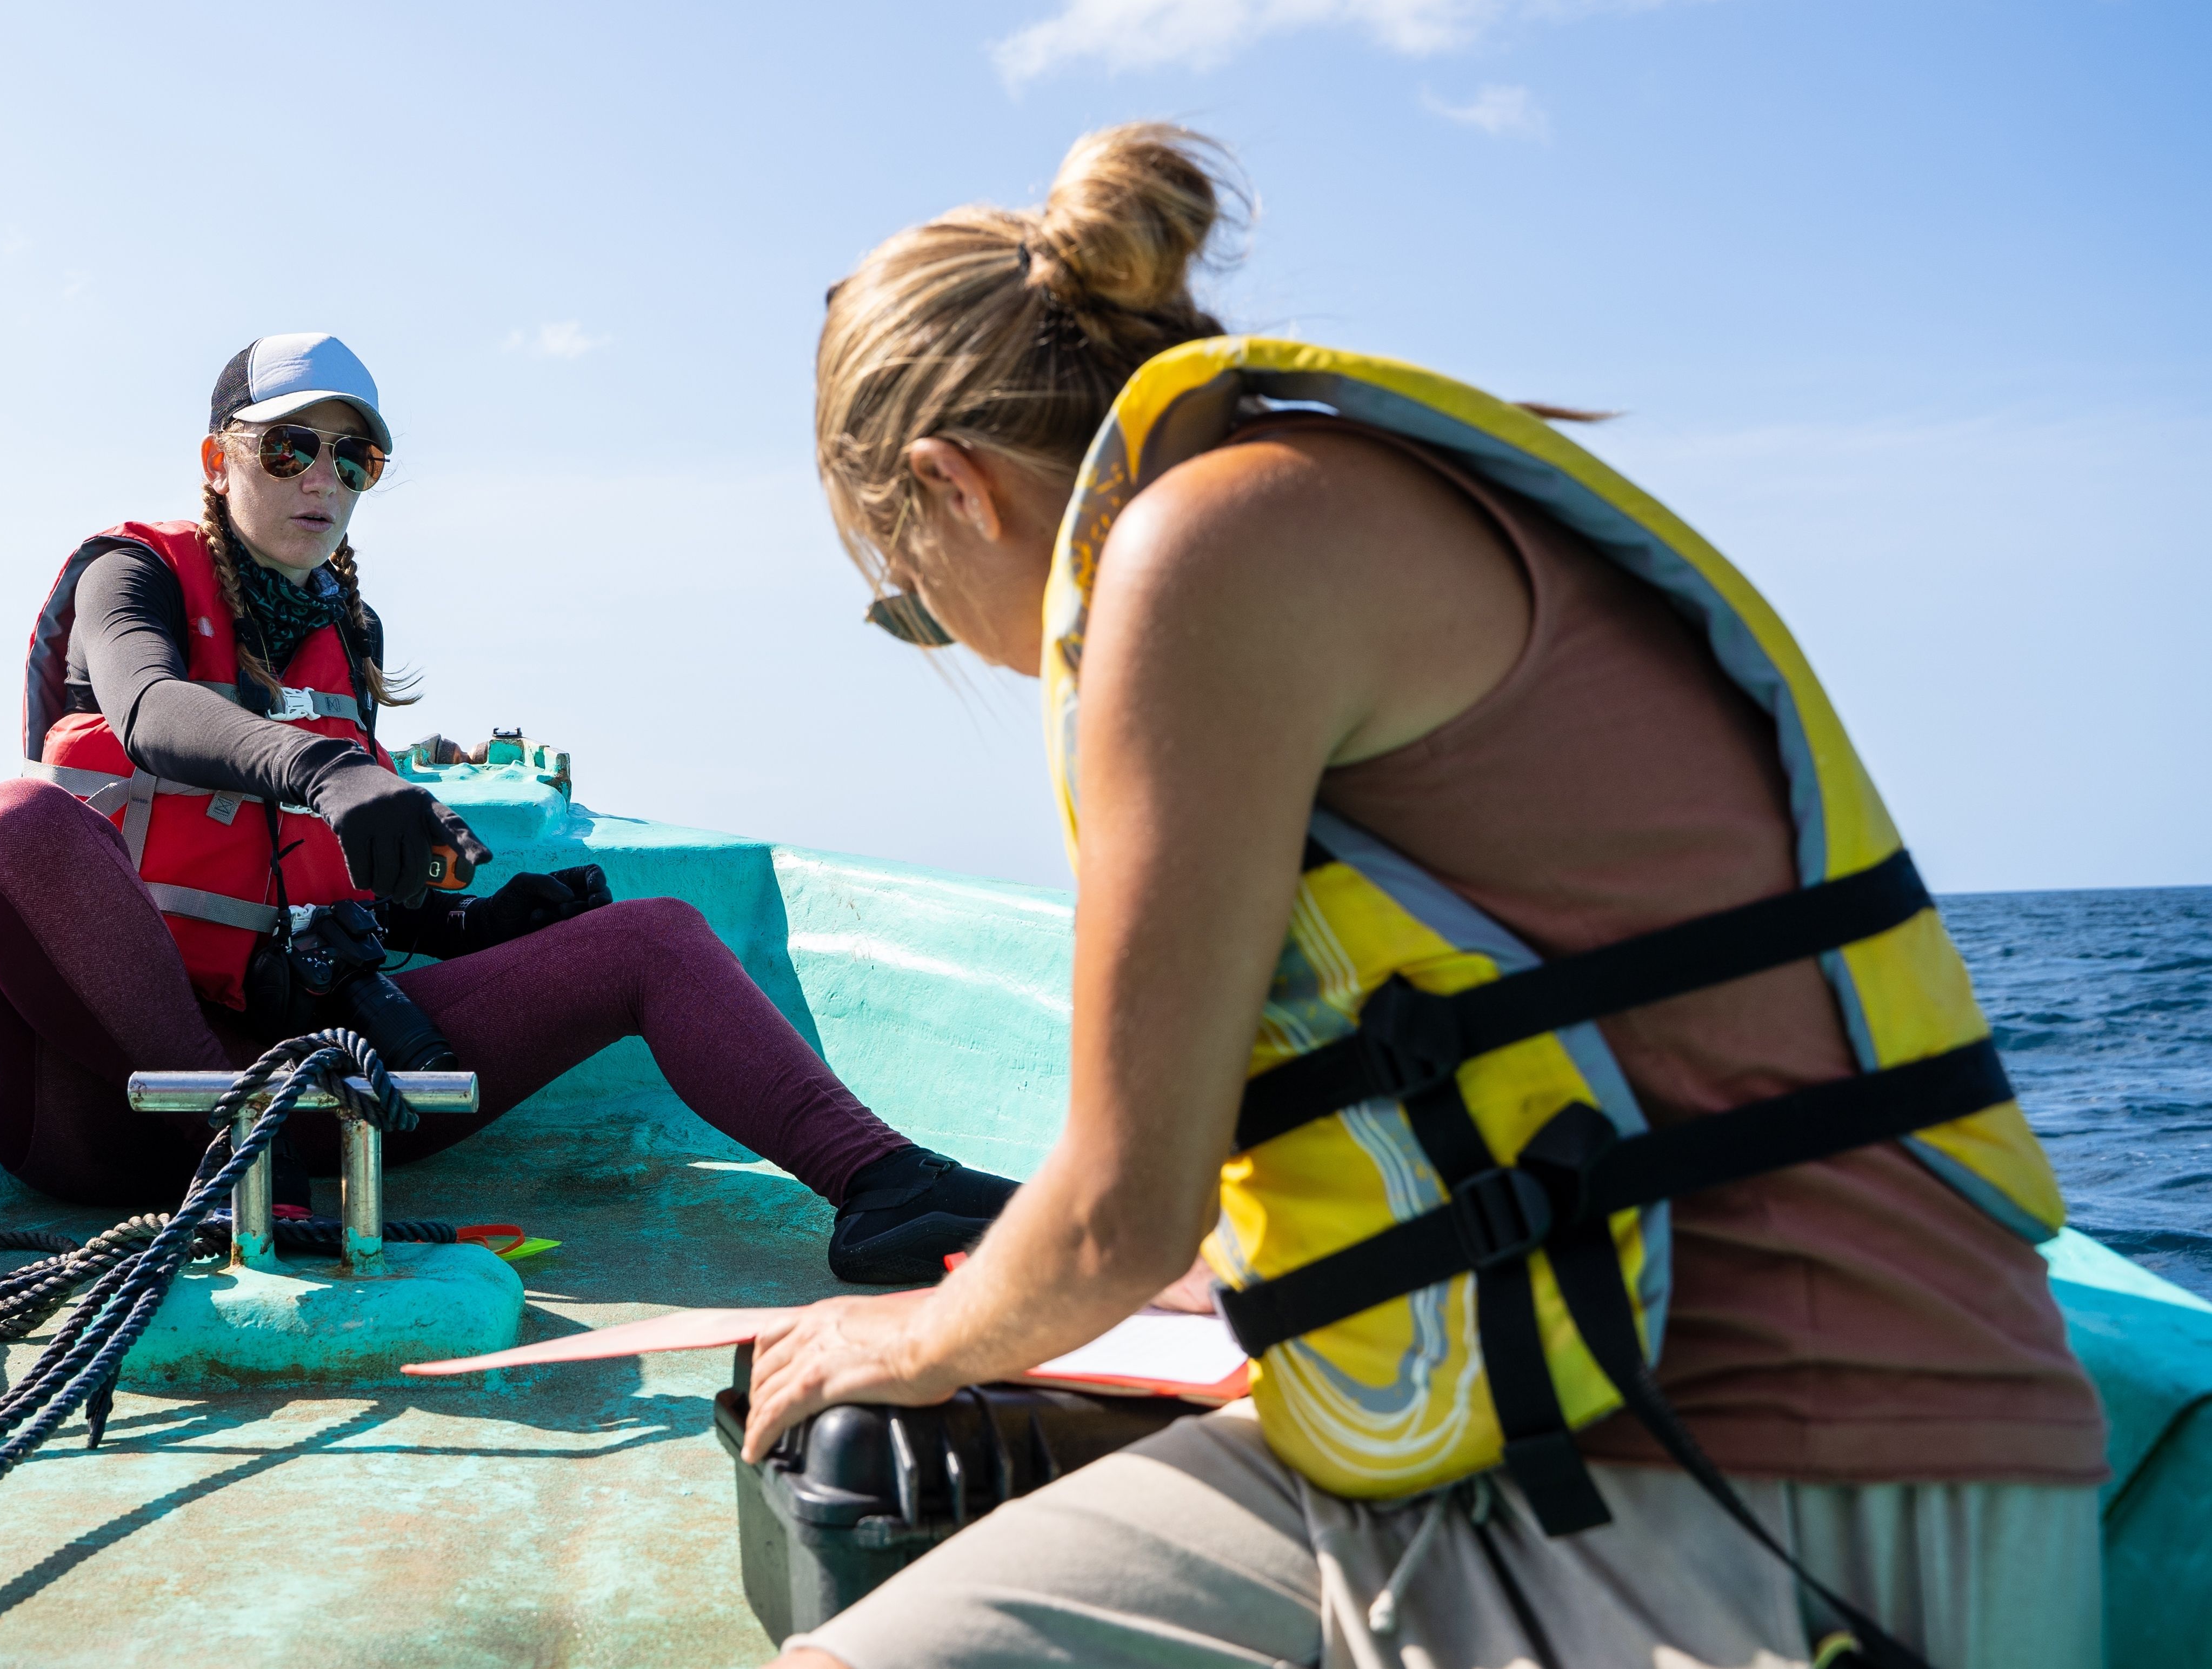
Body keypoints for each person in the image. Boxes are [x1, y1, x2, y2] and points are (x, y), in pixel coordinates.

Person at [744, 129, 2104, 1667]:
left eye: (904, 605)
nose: (964, 647)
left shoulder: (1208, 551)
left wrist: (911, 1335)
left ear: (951, 486)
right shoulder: (1299, 499)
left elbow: (1117, 1217)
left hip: (1763, 1464)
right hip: (1458, 1441)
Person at [0, 331, 1016, 1281]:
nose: (322, 477)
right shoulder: (128, 578)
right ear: (217, 458)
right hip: (107, 1113)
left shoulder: (342, 635)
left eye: (351, 457)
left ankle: (886, 1184)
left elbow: (314, 888)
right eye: (288, 448)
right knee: (10, 823)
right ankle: (229, 1173)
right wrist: (328, 771)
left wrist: (471, 918)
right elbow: (147, 708)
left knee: (651, 937)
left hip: (306, 1094)